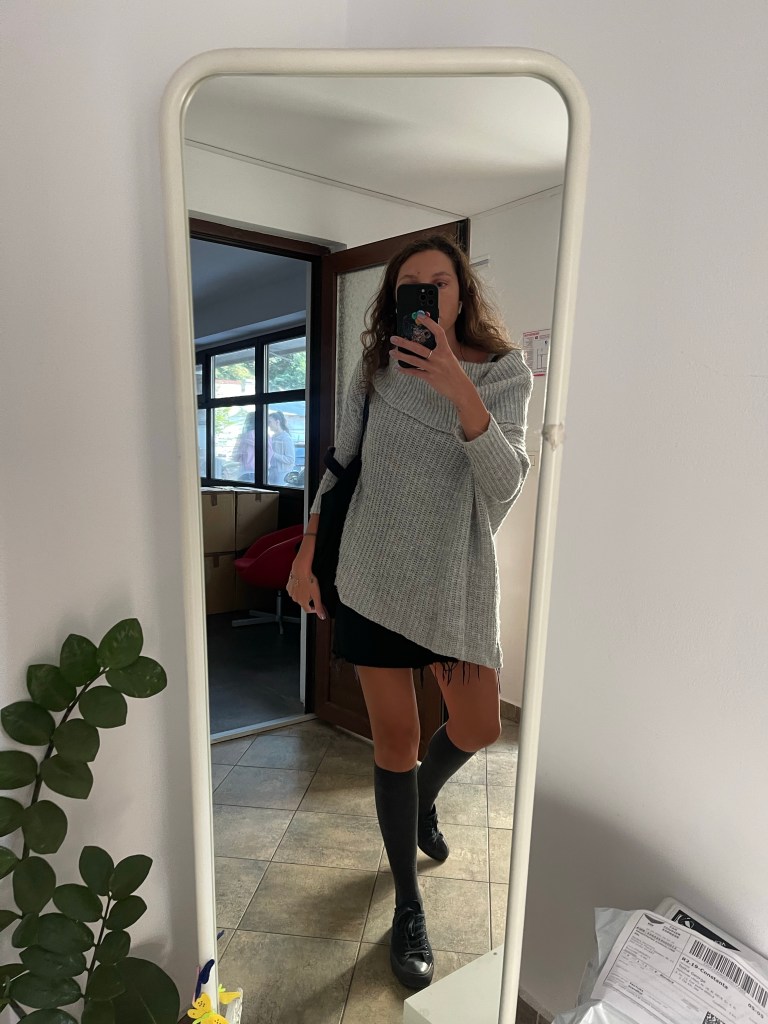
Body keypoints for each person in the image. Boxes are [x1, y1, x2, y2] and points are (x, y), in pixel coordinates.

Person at [286, 235, 533, 990]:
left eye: (439, 281)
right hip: (371, 575)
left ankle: (421, 801)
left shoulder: (502, 373)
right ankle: (408, 905)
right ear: (396, 299)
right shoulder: (375, 369)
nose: (424, 293)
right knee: (395, 740)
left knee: (479, 726)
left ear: (462, 293)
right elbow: (340, 463)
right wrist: (306, 551)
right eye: (409, 284)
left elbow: (505, 484)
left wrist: (460, 389)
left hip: (455, 581)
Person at [267, 410, 295, 486]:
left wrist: (273, 454)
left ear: (277, 422)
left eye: (270, 422)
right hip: (272, 472)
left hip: (282, 475)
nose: (268, 425)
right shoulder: (272, 437)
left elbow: (290, 459)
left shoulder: (286, 438)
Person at [232, 411, 255, 481]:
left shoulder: (244, 436)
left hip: (245, 472)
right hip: (261, 473)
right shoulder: (266, 436)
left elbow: (235, 456)